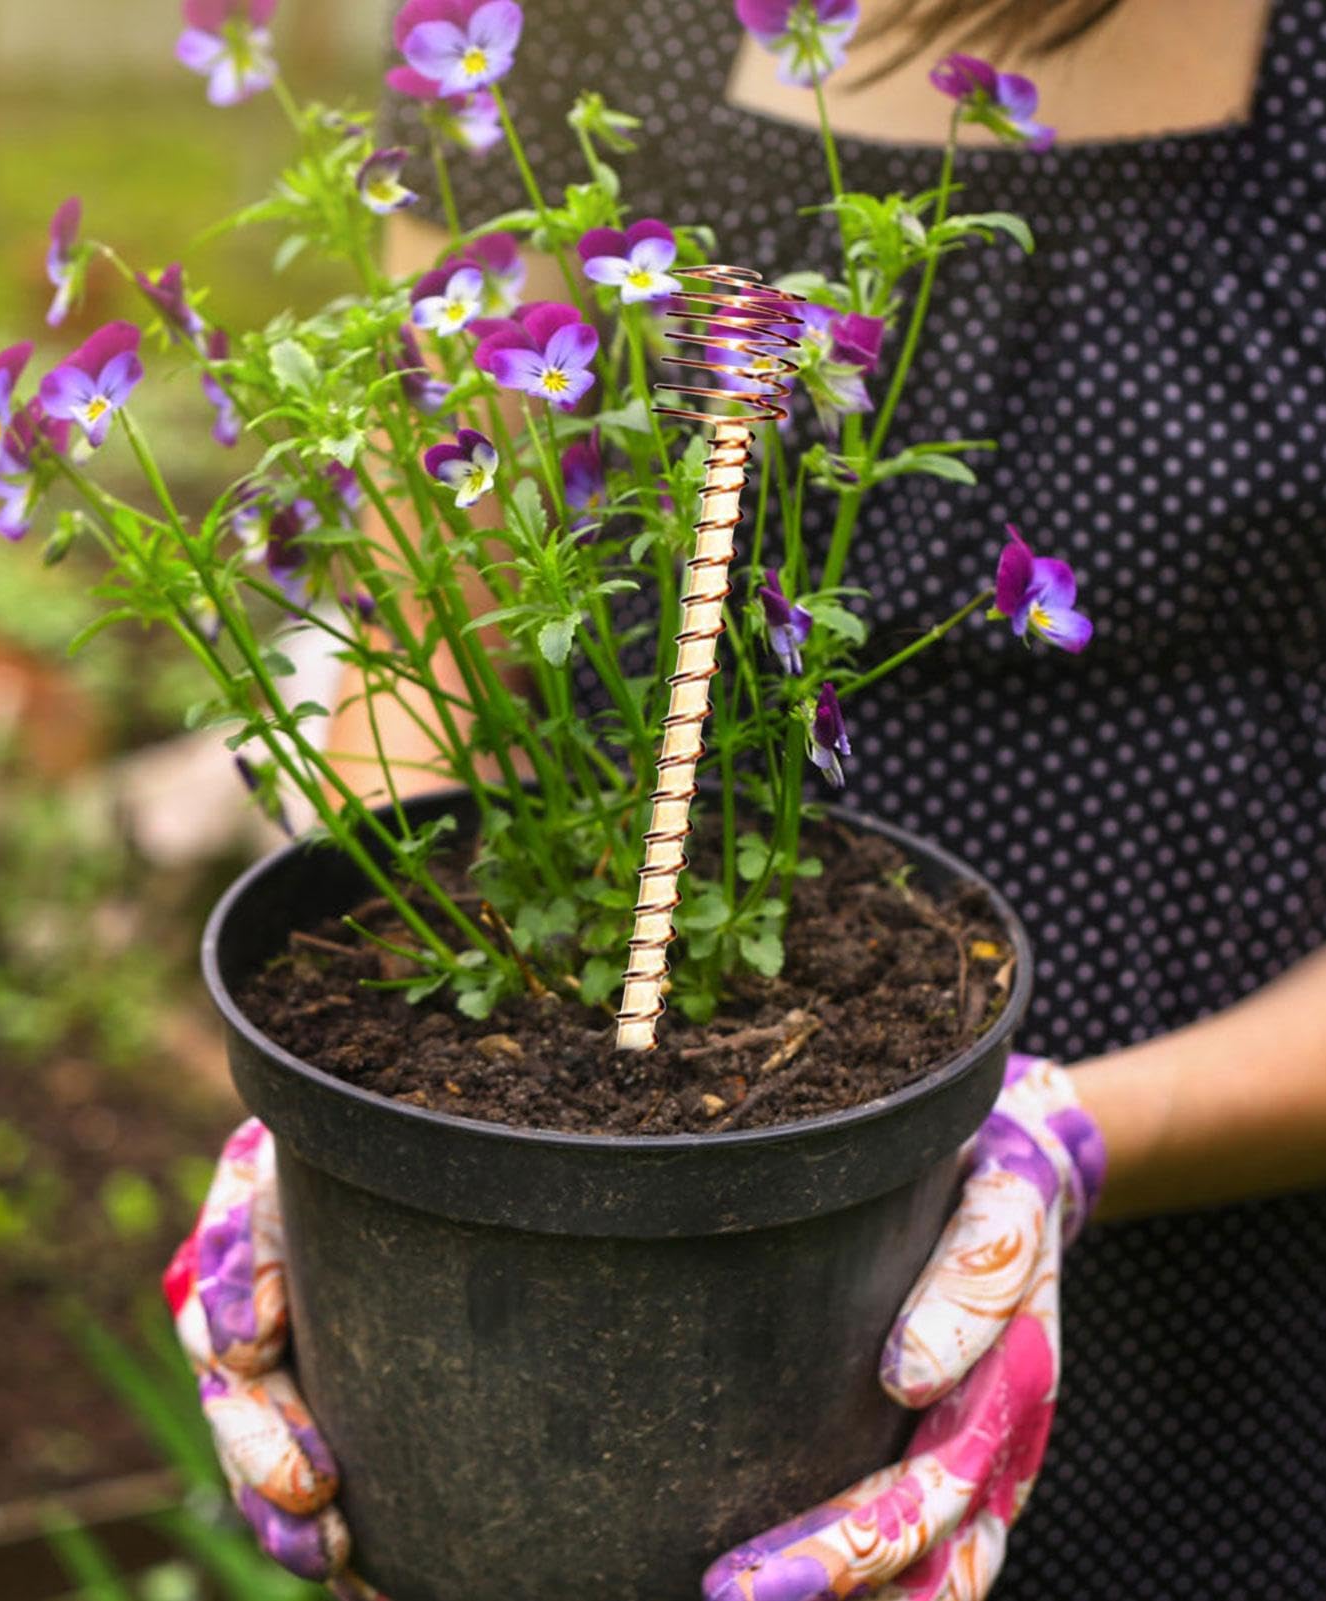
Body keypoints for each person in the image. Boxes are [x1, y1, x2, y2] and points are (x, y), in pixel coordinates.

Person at [167, 1, 1326, 1595]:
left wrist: (1059, 1140)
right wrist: (340, 1129)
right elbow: (431, 611)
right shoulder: (567, 31)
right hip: (569, 1235)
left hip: (1233, 1211)